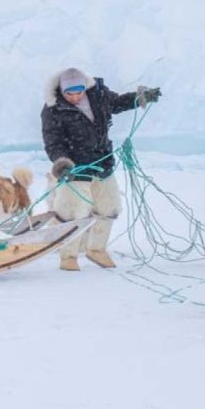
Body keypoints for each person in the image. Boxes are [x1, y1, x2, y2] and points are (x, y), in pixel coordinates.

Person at [41, 67, 161, 271]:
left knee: (109, 207)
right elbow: (53, 143)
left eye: (78, 92)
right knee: (70, 212)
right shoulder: (53, 110)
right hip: (75, 168)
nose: (74, 97)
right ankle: (68, 256)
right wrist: (62, 164)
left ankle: (96, 249)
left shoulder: (99, 95)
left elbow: (118, 103)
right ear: (62, 91)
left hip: (102, 163)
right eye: (69, 93)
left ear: (84, 88)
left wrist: (141, 97)